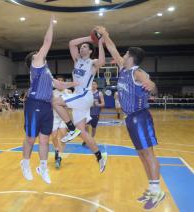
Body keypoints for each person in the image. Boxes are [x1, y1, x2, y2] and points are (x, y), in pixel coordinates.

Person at [96, 26, 165, 210]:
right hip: (130, 119)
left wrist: (152, 85)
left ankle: (157, 191)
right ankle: (152, 187)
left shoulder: (136, 72)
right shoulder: (123, 69)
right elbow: (112, 49)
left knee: (148, 154)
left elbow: (153, 87)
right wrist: (105, 34)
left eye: (126, 53)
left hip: (140, 117)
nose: (123, 55)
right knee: (142, 155)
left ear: (131, 57)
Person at [21, 15, 77, 184]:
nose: (40, 54)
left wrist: (75, 83)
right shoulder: (36, 64)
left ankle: (43, 168)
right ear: (34, 59)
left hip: (46, 106)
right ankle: (25, 164)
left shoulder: (46, 70)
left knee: (45, 140)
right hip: (34, 104)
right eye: (37, 54)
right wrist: (51, 23)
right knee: (31, 139)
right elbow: (47, 42)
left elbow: (59, 85)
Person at [52, 31, 107, 173]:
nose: (81, 48)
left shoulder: (92, 62)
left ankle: (71, 129)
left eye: (85, 47)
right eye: (81, 47)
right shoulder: (77, 61)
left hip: (84, 95)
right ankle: (100, 157)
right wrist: (90, 38)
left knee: (56, 102)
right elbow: (71, 43)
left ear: (90, 51)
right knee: (82, 132)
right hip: (79, 97)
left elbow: (102, 62)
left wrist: (99, 43)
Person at [51, 76, 72, 168]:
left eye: (61, 80)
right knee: (54, 136)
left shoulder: (68, 92)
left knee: (63, 135)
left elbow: (71, 105)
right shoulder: (51, 93)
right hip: (54, 117)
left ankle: (59, 156)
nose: (59, 82)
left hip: (64, 117)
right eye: (58, 80)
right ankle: (56, 149)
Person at [83, 81, 105, 145]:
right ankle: (87, 139)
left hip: (95, 113)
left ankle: (91, 139)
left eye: (94, 84)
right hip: (87, 113)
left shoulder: (99, 93)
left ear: (97, 85)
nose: (93, 85)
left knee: (93, 127)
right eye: (92, 84)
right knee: (86, 126)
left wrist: (98, 105)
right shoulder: (87, 93)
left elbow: (103, 104)